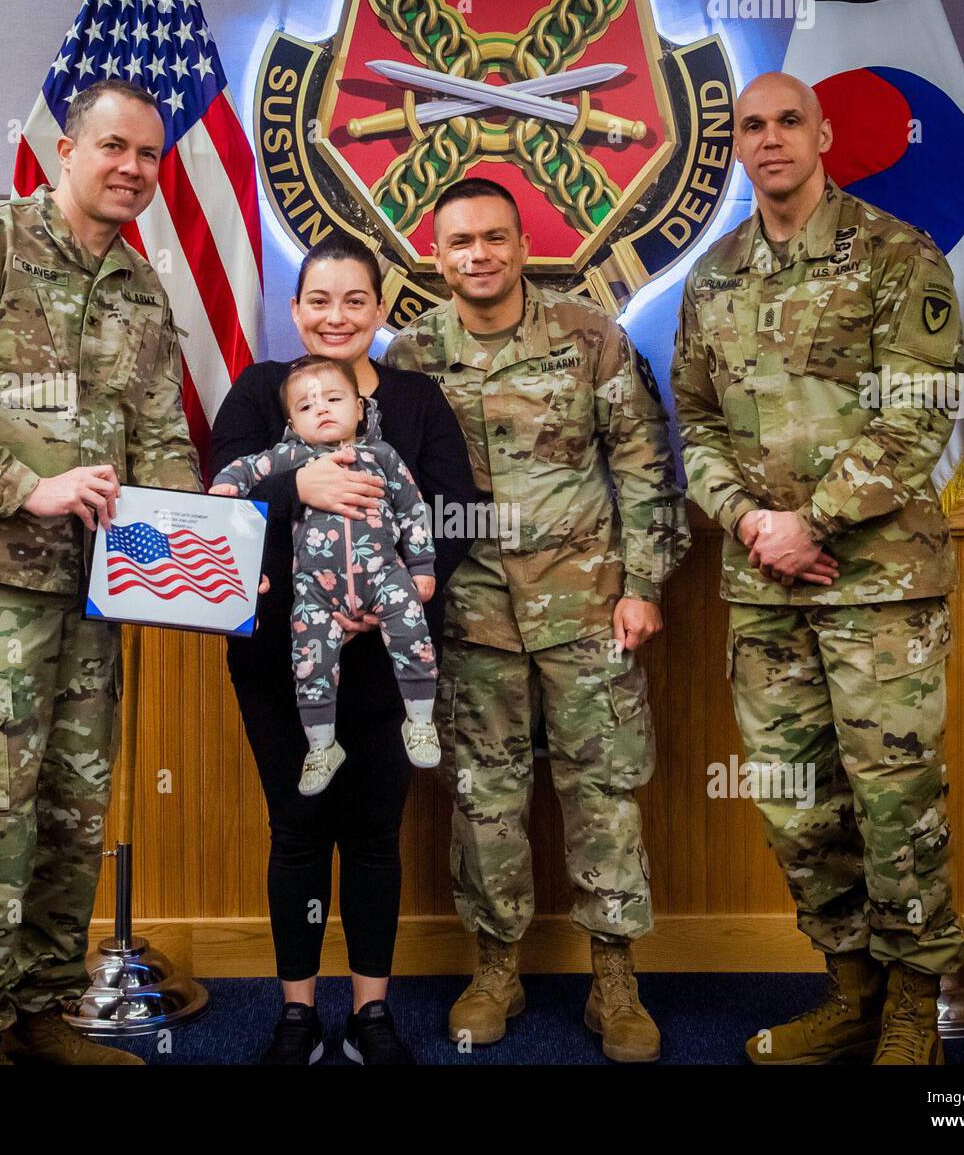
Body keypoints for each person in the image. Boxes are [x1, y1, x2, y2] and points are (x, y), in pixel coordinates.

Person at [0, 80, 200, 1065]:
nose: (132, 169)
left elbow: (163, 439)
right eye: (113, 147)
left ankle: (44, 1011)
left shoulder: (143, 290)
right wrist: (26, 484)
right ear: (66, 148)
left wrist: (204, 552)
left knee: (69, 807)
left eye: (149, 155)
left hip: (96, 592)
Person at [671, 71, 964, 1066]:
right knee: (796, 806)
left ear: (823, 132)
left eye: (786, 120)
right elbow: (696, 424)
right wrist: (750, 518)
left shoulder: (895, 255)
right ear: (737, 146)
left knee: (893, 803)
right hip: (763, 587)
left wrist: (813, 523)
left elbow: (917, 412)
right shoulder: (711, 277)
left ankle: (913, 1013)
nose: (769, 139)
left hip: (878, 584)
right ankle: (850, 990)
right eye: (750, 126)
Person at [385, 178, 688, 1063]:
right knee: (485, 796)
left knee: (604, 793)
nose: (477, 255)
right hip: (471, 615)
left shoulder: (588, 338)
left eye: (493, 238)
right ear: (434, 256)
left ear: (523, 246)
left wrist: (645, 585)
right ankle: (496, 968)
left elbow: (643, 464)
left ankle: (614, 978)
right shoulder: (410, 357)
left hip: (590, 608)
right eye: (459, 243)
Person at [207, 236, 476, 1065]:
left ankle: (370, 1013)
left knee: (372, 832)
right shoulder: (262, 391)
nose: (335, 316)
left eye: (354, 300)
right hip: (281, 651)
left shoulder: (418, 398)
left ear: (378, 311)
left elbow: (456, 510)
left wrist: (397, 587)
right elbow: (219, 497)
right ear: (296, 310)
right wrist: (300, 487)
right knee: (296, 828)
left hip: (391, 653)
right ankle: (297, 1013)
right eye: (319, 300)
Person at [210, 355, 441, 794]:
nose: (322, 409)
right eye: (307, 406)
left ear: (360, 407)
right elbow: (246, 468)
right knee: (309, 661)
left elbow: (413, 511)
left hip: (385, 576)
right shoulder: (289, 456)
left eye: (333, 399)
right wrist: (227, 484)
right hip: (316, 590)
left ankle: (420, 720)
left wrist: (423, 565)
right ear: (293, 425)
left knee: (413, 633)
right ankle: (321, 746)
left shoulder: (383, 457)